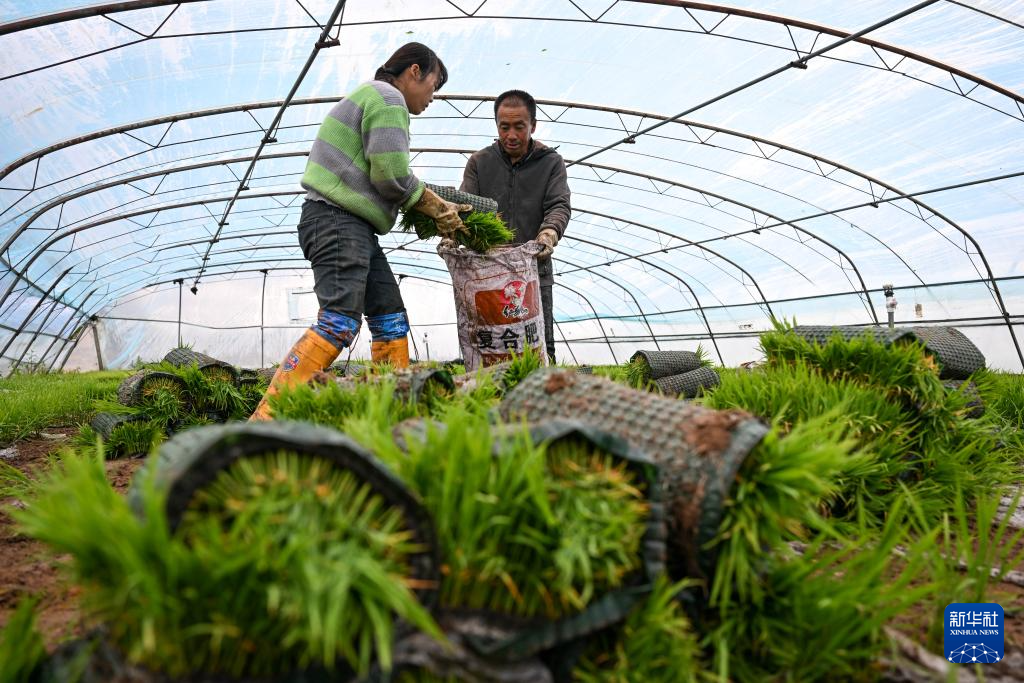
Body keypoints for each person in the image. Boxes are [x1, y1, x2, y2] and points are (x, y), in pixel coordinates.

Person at [251, 42, 471, 420]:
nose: (433, 97)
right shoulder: (388, 98)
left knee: (390, 317)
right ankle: (269, 417)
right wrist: (436, 207)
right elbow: (390, 174)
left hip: (353, 227)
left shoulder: (373, 96)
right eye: (433, 86)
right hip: (337, 221)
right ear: (414, 72)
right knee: (339, 320)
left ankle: (397, 412)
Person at [460, 89, 570, 363]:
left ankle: (543, 396)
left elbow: (559, 204)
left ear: (533, 125)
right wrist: (455, 233)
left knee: (540, 343)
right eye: (504, 126)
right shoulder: (479, 163)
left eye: (519, 127)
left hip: (533, 265)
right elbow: (464, 207)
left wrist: (549, 233)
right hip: (488, 270)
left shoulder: (551, 163)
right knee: (490, 340)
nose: (511, 135)